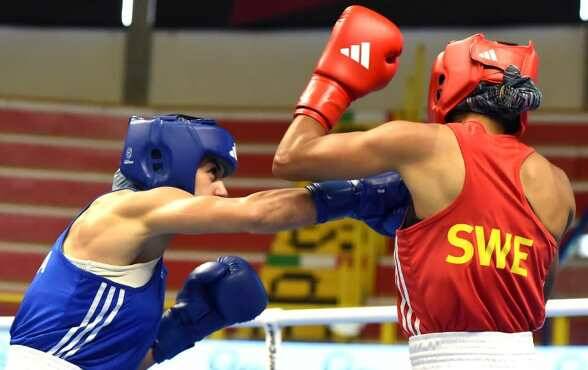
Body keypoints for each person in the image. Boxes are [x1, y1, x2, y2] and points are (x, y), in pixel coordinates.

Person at [272, 5, 576, 370]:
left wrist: (333, 83)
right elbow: (538, 293)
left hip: (442, 357)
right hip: (525, 357)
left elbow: (290, 158)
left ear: (449, 80)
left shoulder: (423, 143)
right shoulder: (558, 184)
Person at [6, 114, 409, 370]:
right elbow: (257, 214)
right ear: (167, 163)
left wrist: (185, 327)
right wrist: (358, 196)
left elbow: (111, 361)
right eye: (213, 173)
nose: (221, 191)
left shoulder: (140, 250)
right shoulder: (125, 210)